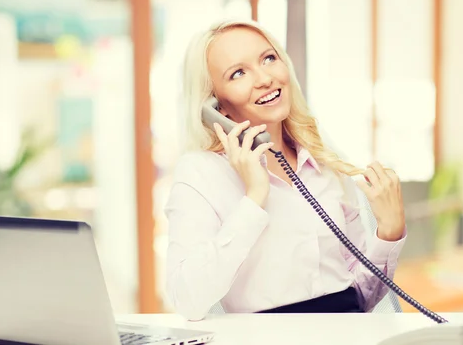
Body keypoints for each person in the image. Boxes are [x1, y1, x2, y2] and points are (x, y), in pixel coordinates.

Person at [164, 19, 407, 321]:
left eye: (268, 58)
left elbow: (363, 298)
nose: (265, 78)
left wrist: (389, 232)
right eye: (238, 73)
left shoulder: (323, 163)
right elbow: (188, 299)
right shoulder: (201, 173)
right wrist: (254, 197)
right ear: (216, 106)